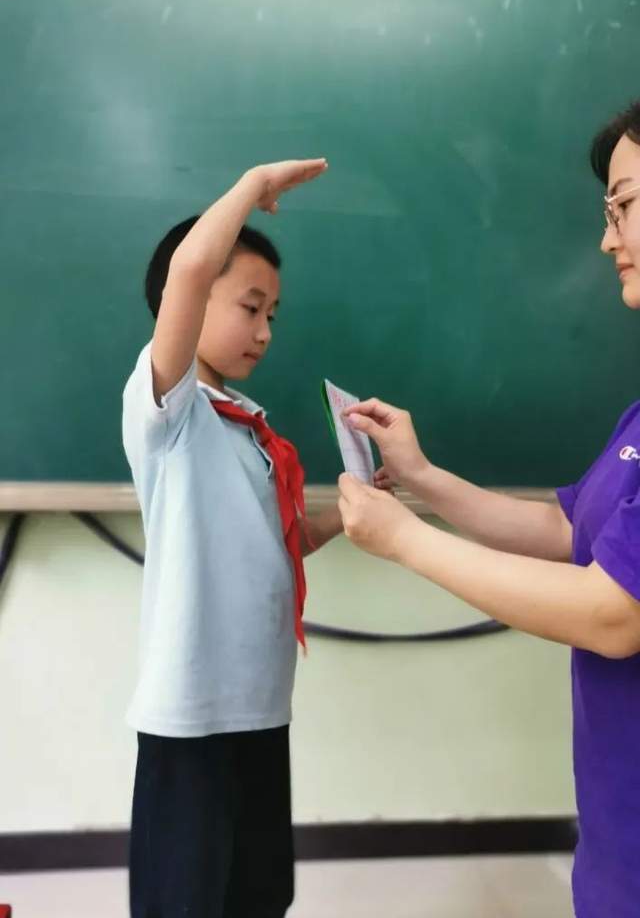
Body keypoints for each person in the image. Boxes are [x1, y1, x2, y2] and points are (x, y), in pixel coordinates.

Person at [337, 102, 640, 917]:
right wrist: (425, 480)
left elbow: (615, 613)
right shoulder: (639, 415)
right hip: (618, 844)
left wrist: (405, 542)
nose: (607, 240)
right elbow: (569, 534)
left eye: (624, 206)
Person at [122, 159, 347, 918]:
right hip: (193, 711)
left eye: (273, 314)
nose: (265, 329)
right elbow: (188, 268)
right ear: (185, 304)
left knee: (255, 894)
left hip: (260, 702)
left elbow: (276, 545)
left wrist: (348, 512)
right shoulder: (169, 408)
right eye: (251, 306)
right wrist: (251, 187)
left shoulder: (246, 424)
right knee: (184, 900)